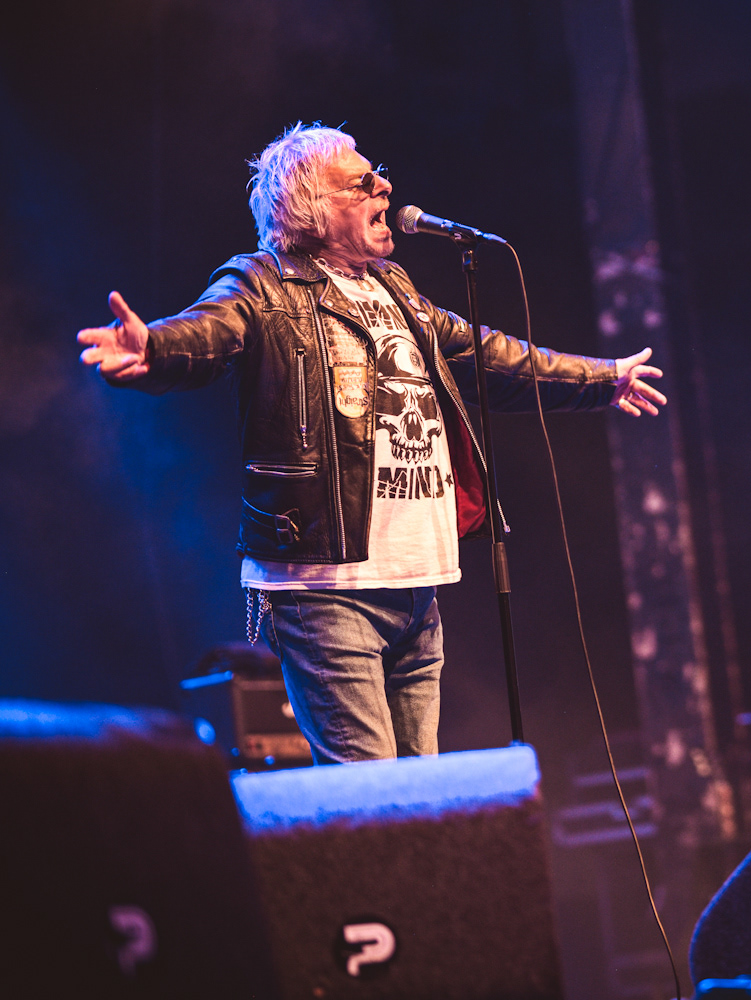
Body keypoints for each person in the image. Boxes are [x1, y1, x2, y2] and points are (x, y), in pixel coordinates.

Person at [77, 123, 667, 764]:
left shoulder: (397, 290)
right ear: (313, 210)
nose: (383, 184)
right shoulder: (262, 285)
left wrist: (602, 380)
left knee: (422, 801)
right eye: (360, 181)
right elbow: (210, 331)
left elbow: (489, 355)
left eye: (377, 171)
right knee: (377, 803)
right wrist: (155, 348)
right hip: (325, 589)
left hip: (416, 588)